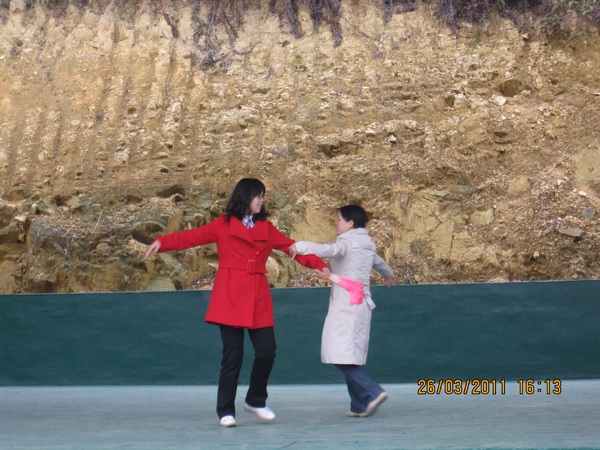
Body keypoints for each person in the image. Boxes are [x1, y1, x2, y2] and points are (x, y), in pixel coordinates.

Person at [144, 178, 327, 427]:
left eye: (263, 195)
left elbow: (292, 248)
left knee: (267, 351)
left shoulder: (267, 228)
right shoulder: (223, 224)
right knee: (233, 356)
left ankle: (256, 401)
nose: (262, 200)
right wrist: (162, 242)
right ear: (245, 197)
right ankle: (225, 410)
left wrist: (319, 265)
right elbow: (192, 237)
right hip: (229, 294)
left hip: (258, 295)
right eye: (258, 195)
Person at [290, 204, 394, 417]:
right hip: (361, 303)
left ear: (350, 223)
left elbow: (328, 250)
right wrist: (387, 274)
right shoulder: (366, 244)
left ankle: (373, 392)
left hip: (346, 304)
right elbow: (378, 262)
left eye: (339, 219)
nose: (336, 222)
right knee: (350, 354)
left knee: (338, 352)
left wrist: (298, 246)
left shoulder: (346, 242)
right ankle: (359, 404)